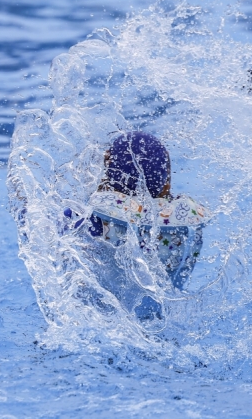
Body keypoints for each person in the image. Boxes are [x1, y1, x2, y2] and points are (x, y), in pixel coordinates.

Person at [64, 131, 209, 324]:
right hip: (163, 319)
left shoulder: (95, 219)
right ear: (166, 182)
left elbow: (43, 233)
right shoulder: (184, 226)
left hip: (103, 320)